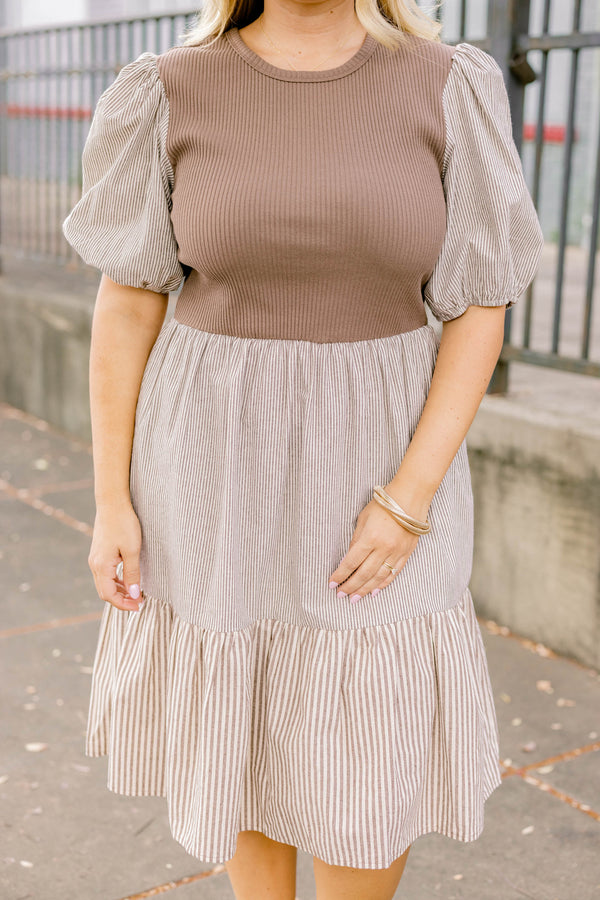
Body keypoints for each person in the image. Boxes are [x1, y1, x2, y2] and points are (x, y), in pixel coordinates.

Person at [61, 0, 544, 897]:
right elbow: (128, 302)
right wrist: (112, 501)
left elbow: (482, 303)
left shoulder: (450, 85)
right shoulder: (167, 91)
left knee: (369, 746)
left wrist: (408, 498)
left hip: (387, 463)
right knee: (243, 717)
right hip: (212, 468)